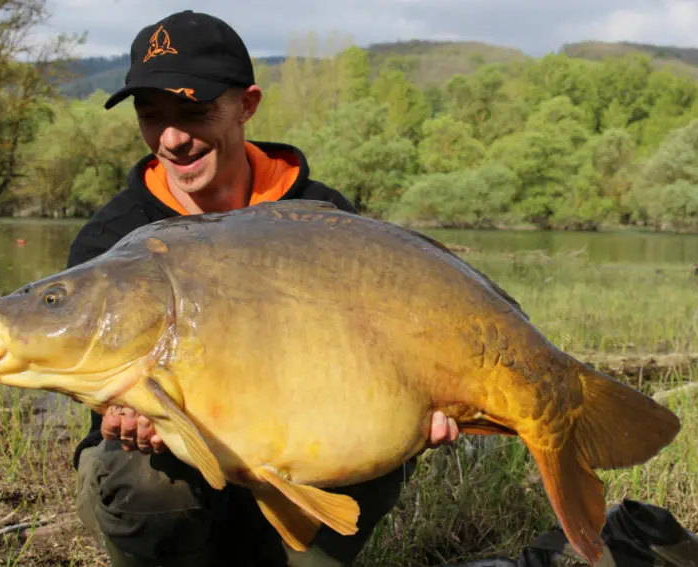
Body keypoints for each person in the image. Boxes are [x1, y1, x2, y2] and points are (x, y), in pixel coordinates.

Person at [67, 10, 459, 567]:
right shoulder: (112, 239)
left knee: (371, 438)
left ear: (247, 105)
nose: (173, 139)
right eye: (151, 116)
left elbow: (380, 347)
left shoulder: (320, 219)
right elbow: (99, 395)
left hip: (307, 453)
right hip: (178, 470)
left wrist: (425, 400)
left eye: (195, 111)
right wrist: (120, 419)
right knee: (142, 481)